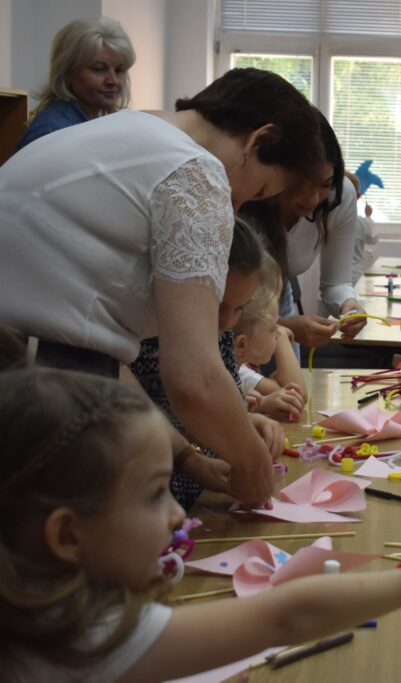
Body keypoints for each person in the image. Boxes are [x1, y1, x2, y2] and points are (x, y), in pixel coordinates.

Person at [0, 368, 401, 681]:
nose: (179, 514)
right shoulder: (83, 644)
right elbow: (288, 616)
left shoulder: (47, 618)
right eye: (154, 494)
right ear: (68, 536)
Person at [0, 68, 323, 506]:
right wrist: (251, 463)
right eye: (259, 189)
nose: (237, 205)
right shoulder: (196, 172)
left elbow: (99, 356)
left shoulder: (129, 129)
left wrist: (188, 460)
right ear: (259, 140)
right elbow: (192, 375)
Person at [129, 219, 283, 510]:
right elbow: (158, 409)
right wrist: (195, 455)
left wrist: (244, 423)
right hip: (146, 493)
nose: (227, 322)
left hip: (198, 494)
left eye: (240, 308)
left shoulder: (222, 332)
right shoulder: (140, 333)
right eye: (219, 304)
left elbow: (221, 405)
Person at [243, 111, 368, 352]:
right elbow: (219, 317)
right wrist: (283, 325)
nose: (312, 198)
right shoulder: (245, 197)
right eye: (301, 184)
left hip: (278, 303)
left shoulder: (339, 197)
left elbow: (336, 282)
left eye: (324, 184)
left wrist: (348, 304)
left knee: (290, 389)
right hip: (231, 322)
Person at [15, 16, 135, 151]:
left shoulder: (87, 124)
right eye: (99, 69)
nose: (112, 81)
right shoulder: (55, 132)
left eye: (119, 70)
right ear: (67, 71)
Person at [233, 256, 307, 421]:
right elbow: (297, 394)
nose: (279, 331)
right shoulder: (227, 371)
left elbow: (293, 395)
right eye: (273, 327)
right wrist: (281, 339)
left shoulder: (238, 368)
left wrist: (261, 404)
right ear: (242, 344)